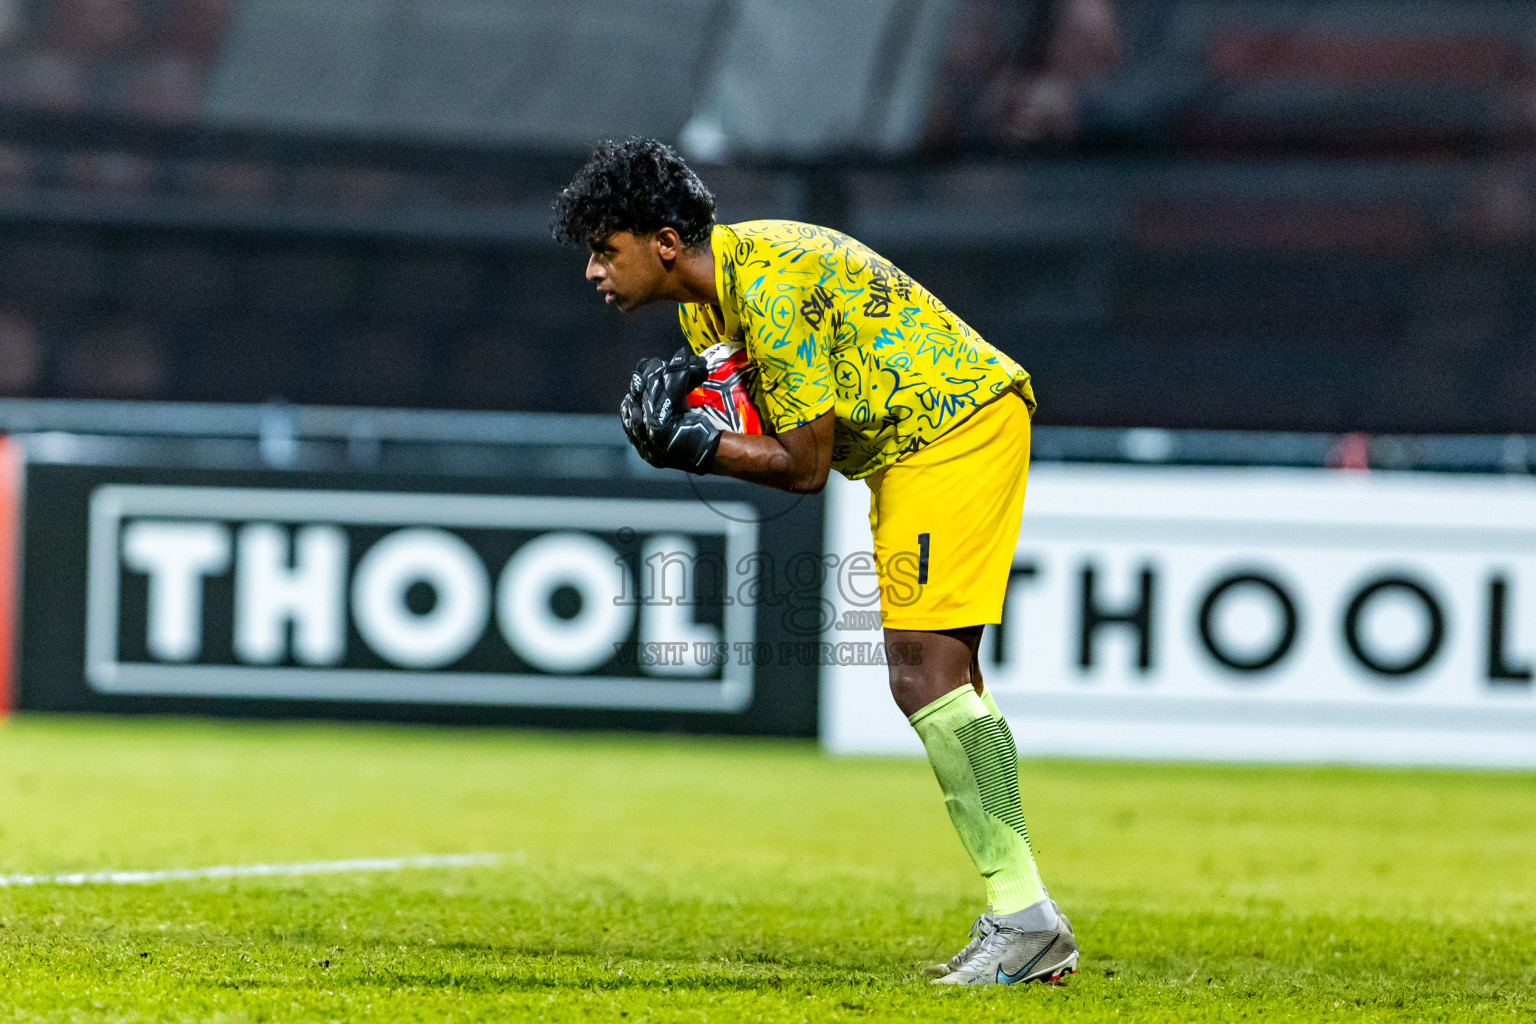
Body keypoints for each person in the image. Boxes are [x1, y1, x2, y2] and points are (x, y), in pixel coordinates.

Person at [551, 138, 1077, 987]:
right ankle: (1026, 918)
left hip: (952, 434)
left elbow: (798, 464)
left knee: (923, 676)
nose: (593, 272)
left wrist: (693, 446)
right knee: (948, 680)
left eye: (605, 251)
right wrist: (701, 416)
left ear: (665, 242)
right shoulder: (709, 305)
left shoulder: (773, 285)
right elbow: (766, 428)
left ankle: (1024, 917)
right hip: (919, 447)